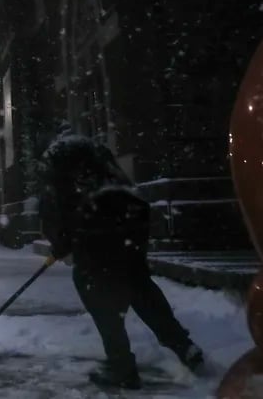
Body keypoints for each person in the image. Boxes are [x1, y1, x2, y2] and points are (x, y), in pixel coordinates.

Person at [37, 124, 204, 389]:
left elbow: (53, 207)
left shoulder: (54, 160)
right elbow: (121, 185)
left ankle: (121, 366)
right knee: (138, 284)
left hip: (96, 226)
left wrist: (60, 242)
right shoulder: (96, 151)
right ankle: (183, 346)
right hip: (131, 218)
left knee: (98, 293)